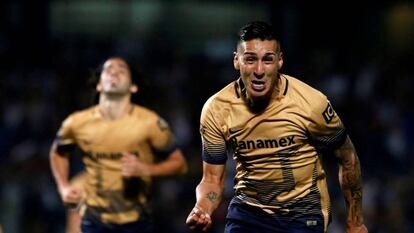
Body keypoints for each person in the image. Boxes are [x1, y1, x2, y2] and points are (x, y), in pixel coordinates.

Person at [186, 21, 368, 233]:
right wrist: (203, 208)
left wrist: (355, 222)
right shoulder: (217, 110)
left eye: (268, 60)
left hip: (303, 212)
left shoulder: (311, 104)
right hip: (248, 212)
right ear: (237, 61)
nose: (259, 70)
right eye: (250, 60)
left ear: (280, 61)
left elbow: (348, 158)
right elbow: (211, 180)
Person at [50, 56, 188, 233]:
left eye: (121, 70)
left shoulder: (150, 123)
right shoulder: (76, 122)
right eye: (108, 70)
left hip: (135, 218)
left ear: (133, 87)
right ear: (99, 85)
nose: (114, 73)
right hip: (94, 218)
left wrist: (146, 169)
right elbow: (58, 152)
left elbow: (180, 164)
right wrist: (63, 187)